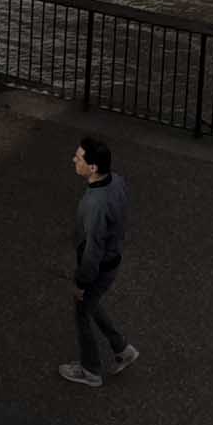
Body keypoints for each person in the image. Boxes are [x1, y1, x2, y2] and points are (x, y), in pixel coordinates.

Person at [60, 134, 137, 388]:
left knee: (82, 311)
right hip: (112, 260)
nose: (74, 160)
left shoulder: (96, 204)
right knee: (92, 304)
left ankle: (90, 370)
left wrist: (81, 282)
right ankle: (121, 348)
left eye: (79, 158)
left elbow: (93, 249)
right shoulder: (117, 182)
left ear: (92, 167)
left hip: (98, 268)